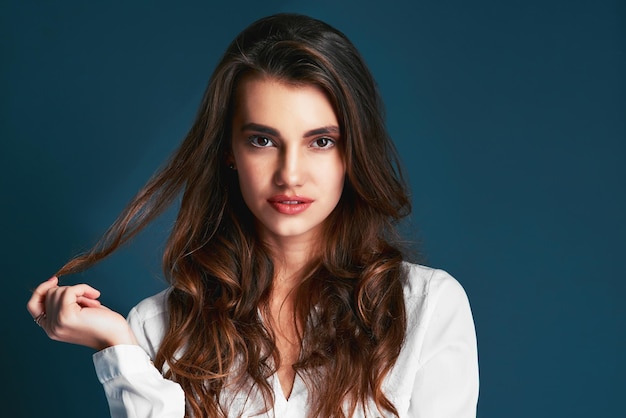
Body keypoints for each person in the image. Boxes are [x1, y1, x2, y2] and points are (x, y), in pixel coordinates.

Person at [27, 13, 479, 418]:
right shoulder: (155, 327)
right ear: (229, 151)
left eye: (321, 141)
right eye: (263, 140)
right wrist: (117, 348)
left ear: (352, 152)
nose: (290, 175)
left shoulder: (425, 308)